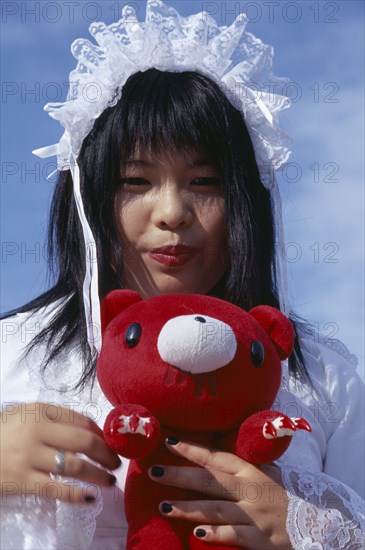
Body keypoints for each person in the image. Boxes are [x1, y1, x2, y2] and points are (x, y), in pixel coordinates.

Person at [1, 1, 364, 549]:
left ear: (246, 202)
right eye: (135, 180)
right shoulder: (11, 356)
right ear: (89, 197)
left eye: (205, 182)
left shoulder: (323, 380)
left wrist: (311, 530)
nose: (171, 212)